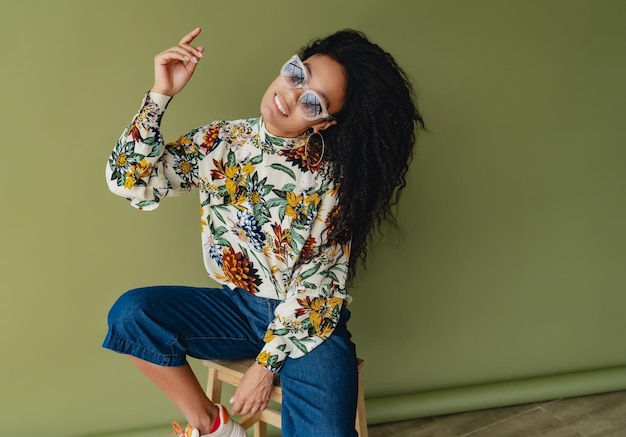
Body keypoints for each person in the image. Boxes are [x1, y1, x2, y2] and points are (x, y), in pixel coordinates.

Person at [103, 27, 424, 437]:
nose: (290, 96)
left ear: (325, 123)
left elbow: (317, 285)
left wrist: (265, 366)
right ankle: (213, 426)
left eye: (312, 102)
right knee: (133, 314)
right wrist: (160, 95)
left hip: (309, 325)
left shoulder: (334, 178)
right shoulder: (221, 141)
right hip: (237, 310)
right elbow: (129, 180)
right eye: (297, 75)